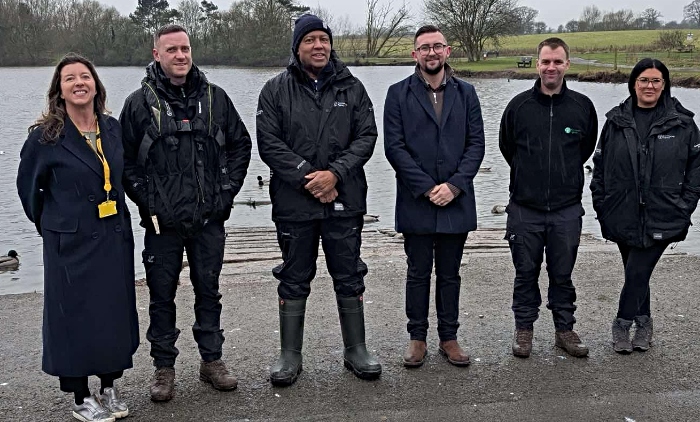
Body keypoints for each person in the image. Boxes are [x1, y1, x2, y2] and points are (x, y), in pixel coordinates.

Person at [119, 25, 251, 401]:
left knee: (209, 290)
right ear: (156, 54)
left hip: (209, 217)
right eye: (172, 49)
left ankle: (212, 360)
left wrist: (227, 193)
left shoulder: (216, 98)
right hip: (162, 223)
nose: (181, 55)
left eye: (186, 48)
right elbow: (125, 160)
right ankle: (164, 368)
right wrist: (146, 200)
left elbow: (241, 146)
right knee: (161, 296)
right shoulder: (137, 104)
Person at [256, 13, 381, 386]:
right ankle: (290, 356)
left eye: (323, 39)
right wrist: (309, 177)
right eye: (309, 40)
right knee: (294, 276)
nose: (318, 46)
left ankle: (355, 350)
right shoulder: (275, 90)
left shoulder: (352, 88)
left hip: (345, 199)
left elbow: (367, 137)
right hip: (295, 202)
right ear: (297, 47)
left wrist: (335, 174)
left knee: (349, 273)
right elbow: (269, 144)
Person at [17, 53, 139, 422]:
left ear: (96, 85)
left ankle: (109, 386)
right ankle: (80, 396)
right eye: (70, 78)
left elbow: (122, 177)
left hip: (112, 237)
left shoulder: (113, 128)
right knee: (73, 318)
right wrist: (57, 226)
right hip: (69, 244)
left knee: (113, 313)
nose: (79, 83)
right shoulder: (45, 137)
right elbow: (29, 192)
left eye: (85, 76)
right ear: (60, 90)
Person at [384, 25, 485, 368]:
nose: (431, 53)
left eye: (437, 46)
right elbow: (394, 148)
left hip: (456, 200)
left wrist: (454, 185)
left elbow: (476, 146)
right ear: (415, 54)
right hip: (417, 200)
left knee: (450, 273)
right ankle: (417, 338)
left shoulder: (467, 93)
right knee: (417, 272)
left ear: (448, 51)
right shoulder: (398, 94)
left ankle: (449, 337)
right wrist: (427, 187)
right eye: (424, 48)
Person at [590, 58, 700, 354]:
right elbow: (599, 166)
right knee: (635, 271)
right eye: (644, 80)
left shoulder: (683, 123)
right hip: (621, 211)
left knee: (638, 270)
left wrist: (684, 207)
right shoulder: (615, 121)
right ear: (633, 83)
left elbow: (696, 169)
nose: (649, 86)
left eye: (656, 81)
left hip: (665, 213)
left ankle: (623, 323)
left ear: (665, 85)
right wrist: (602, 204)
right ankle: (645, 321)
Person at [499, 37, 598, 358]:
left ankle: (564, 330)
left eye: (557, 61)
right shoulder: (518, 107)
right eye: (545, 61)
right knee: (525, 273)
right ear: (537, 64)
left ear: (567, 64)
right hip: (525, 208)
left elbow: (586, 149)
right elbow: (507, 148)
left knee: (563, 274)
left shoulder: (582, 107)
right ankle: (524, 329)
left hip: (566, 209)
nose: (550, 67)